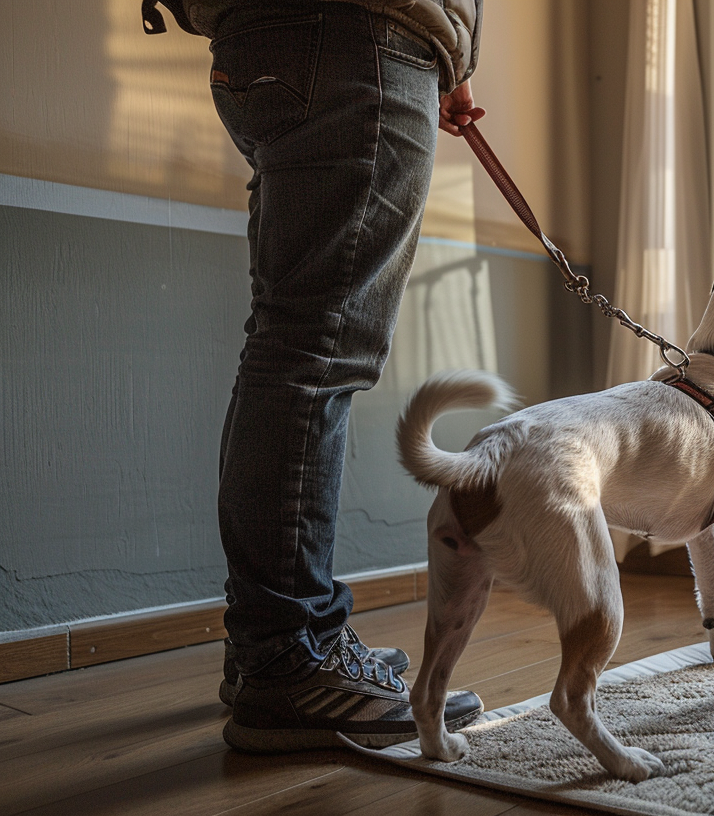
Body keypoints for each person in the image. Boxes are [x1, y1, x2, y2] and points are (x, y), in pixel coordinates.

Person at [142, 0, 488, 751]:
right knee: (314, 353)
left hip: (269, 40)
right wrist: (442, 41)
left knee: (288, 345)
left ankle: (270, 642)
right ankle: (290, 657)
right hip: (361, 36)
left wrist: (449, 59)